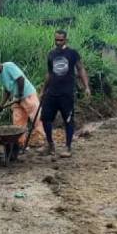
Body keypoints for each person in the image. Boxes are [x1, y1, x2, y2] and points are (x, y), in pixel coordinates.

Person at [40, 29, 91, 157]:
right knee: (45, 118)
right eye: (56, 39)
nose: (58, 42)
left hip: (66, 94)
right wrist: (43, 90)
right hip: (52, 93)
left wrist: (86, 87)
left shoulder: (72, 53)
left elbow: (81, 69)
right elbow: (49, 73)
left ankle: (68, 147)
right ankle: (50, 145)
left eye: (61, 40)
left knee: (68, 120)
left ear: (66, 40)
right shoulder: (51, 54)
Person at [0, 56, 45, 146]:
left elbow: (20, 79)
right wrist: (1, 105)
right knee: (18, 121)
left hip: (27, 94)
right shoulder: (0, 74)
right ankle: (19, 142)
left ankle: (41, 139)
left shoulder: (8, 66)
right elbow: (6, 90)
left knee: (36, 117)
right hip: (16, 98)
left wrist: (21, 95)